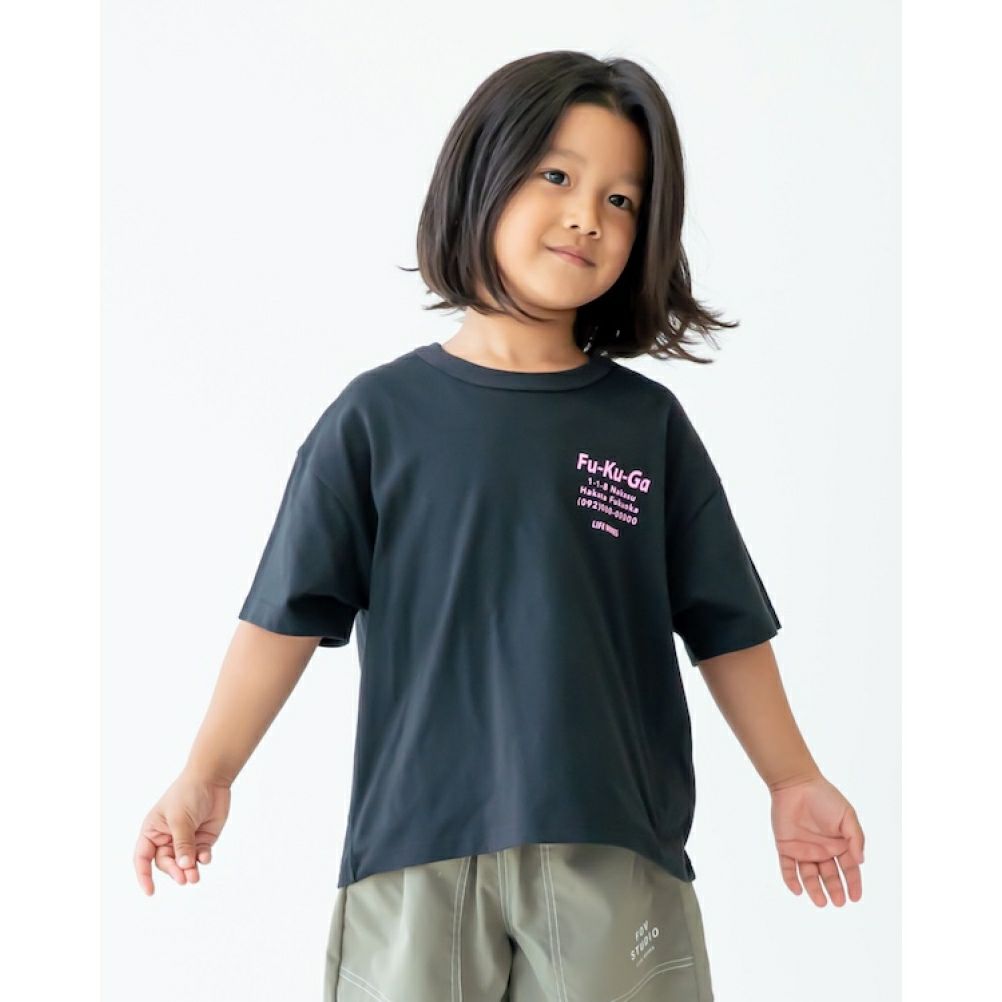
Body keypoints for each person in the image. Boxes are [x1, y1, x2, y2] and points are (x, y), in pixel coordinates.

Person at [134, 50, 866, 1001]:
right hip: (414, 854)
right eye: (558, 176)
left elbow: (726, 623)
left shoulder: (645, 427)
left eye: (622, 200)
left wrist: (793, 779)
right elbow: (283, 615)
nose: (587, 215)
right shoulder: (377, 419)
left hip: (612, 848)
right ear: (481, 175)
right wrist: (207, 772)